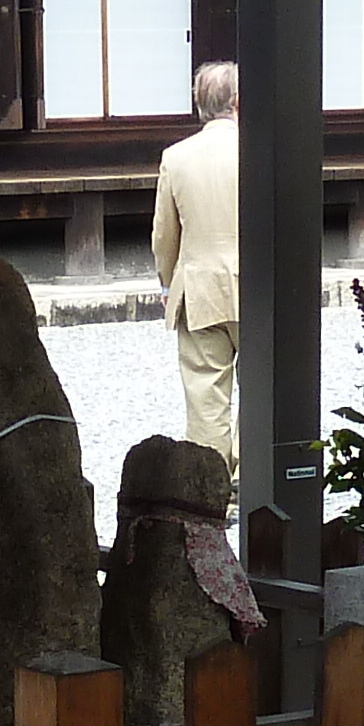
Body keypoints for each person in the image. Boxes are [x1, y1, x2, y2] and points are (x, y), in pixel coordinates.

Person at [150, 61, 243, 463]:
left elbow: (163, 236)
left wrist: (168, 285)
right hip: (257, 285)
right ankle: (252, 477)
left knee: (206, 392)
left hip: (200, 286)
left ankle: (211, 482)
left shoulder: (176, 157)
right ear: (239, 102)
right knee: (263, 388)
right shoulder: (262, 151)